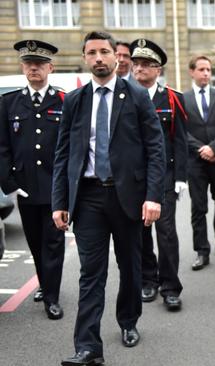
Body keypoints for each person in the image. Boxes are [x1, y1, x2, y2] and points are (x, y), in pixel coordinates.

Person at [52, 31, 165, 365]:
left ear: (116, 57)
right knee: (91, 273)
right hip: (87, 198)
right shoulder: (74, 100)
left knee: (130, 267)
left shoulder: (136, 95)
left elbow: (155, 148)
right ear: (85, 58)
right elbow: (64, 154)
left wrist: (153, 196)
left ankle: (128, 320)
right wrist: (60, 201)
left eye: (104, 52)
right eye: (92, 53)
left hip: (126, 196)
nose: (99, 58)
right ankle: (87, 346)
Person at [0, 40, 66, 320]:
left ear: (50, 67)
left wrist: (68, 186)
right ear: (23, 67)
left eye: (39, 64)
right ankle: (45, 281)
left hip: (54, 187)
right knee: (35, 242)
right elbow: (2, 148)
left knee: (54, 242)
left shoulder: (64, 101)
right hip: (25, 188)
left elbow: (71, 147)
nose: (34, 68)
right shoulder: (8, 102)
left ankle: (51, 296)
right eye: (29, 63)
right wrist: (10, 185)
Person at [130, 38, 188, 310]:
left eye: (145, 64)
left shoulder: (172, 98)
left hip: (163, 177)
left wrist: (180, 178)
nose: (139, 69)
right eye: (136, 63)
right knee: (140, 233)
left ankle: (170, 287)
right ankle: (147, 281)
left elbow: (180, 140)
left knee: (166, 233)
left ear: (158, 69)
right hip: (132, 178)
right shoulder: (124, 95)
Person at [183, 55, 215, 271]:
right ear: (192, 72)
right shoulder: (183, 99)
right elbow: (182, 132)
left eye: (208, 70)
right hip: (196, 162)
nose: (206, 74)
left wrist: (214, 148)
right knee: (198, 207)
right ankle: (202, 251)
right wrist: (202, 150)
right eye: (201, 69)